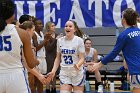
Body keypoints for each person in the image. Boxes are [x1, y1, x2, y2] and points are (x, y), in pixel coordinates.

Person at [91, 8, 140, 93]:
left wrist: (98, 65)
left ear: (123, 20)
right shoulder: (138, 31)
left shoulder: (123, 35)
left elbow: (113, 54)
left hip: (136, 70)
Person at [0, 0, 39, 93]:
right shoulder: (22, 33)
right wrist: (37, 61)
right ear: (13, 14)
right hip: (16, 77)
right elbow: (30, 64)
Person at [47, 20, 85, 93]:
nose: (67, 28)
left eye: (70, 26)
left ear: (75, 29)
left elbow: (82, 58)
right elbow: (58, 58)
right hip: (65, 71)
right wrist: (53, 71)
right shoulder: (60, 40)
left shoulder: (79, 40)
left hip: (77, 72)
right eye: (66, 26)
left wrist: (78, 65)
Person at [19, 21, 50, 93]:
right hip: (23, 69)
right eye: (33, 30)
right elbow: (25, 62)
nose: (33, 32)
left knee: (34, 85)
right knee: (31, 86)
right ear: (27, 30)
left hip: (27, 67)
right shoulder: (24, 41)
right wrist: (39, 74)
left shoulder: (27, 40)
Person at [32, 19, 49, 93]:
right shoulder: (34, 34)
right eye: (39, 24)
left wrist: (47, 40)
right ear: (35, 25)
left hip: (43, 58)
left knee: (42, 80)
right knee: (35, 80)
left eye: (41, 23)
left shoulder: (42, 33)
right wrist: (45, 40)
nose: (41, 25)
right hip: (37, 58)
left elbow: (45, 46)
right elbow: (36, 48)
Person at [45, 21, 58, 93]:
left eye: (54, 25)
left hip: (55, 56)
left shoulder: (56, 34)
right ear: (48, 28)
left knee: (54, 73)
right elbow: (48, 48)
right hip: (49, 56)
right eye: (52, 26)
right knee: (49, 73)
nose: (54, 27)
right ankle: (47, 89)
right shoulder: (47, 35)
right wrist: (56, 40)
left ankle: (54, 88)